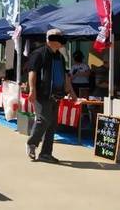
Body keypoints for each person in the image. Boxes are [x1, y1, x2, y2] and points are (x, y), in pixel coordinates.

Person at [26, 29, 77, 163]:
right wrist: (32, 90)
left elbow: (65, 76)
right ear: (50, 39)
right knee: (43, 119)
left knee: (52, 124)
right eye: (58, 38)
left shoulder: (60, 56)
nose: (61, 41)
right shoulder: (39, 54)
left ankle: (46, 153)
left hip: (57, 95)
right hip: (42, 94)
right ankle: (32, 143)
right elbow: (32, 72)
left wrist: (71, 92)